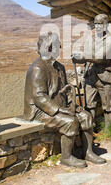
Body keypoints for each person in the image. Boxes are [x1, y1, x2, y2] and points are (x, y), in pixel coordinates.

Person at [24, 32, 106, 168]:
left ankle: (88, 152)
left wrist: (73, 105)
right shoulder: (38, 68)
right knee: (70, 121)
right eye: (57, 46)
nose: (59, 49)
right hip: (39, 111)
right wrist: (60, 110)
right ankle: (66, 157)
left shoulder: (59, 67)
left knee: (85, 116)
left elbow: (65, 91)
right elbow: (39, 98)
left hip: (58, 107)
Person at [72, 14, 111, 130]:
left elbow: (99, 57)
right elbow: (87, 55)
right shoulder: (89, 39)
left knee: (108, 106)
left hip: (105, 76)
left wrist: (82, 57)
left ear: (106, 25)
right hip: (90, 75)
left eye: (100, 23)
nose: (97, 26)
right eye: (96, 23)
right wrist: (77, 57)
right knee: (88, 105)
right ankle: (90, 130)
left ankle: (108, 131)